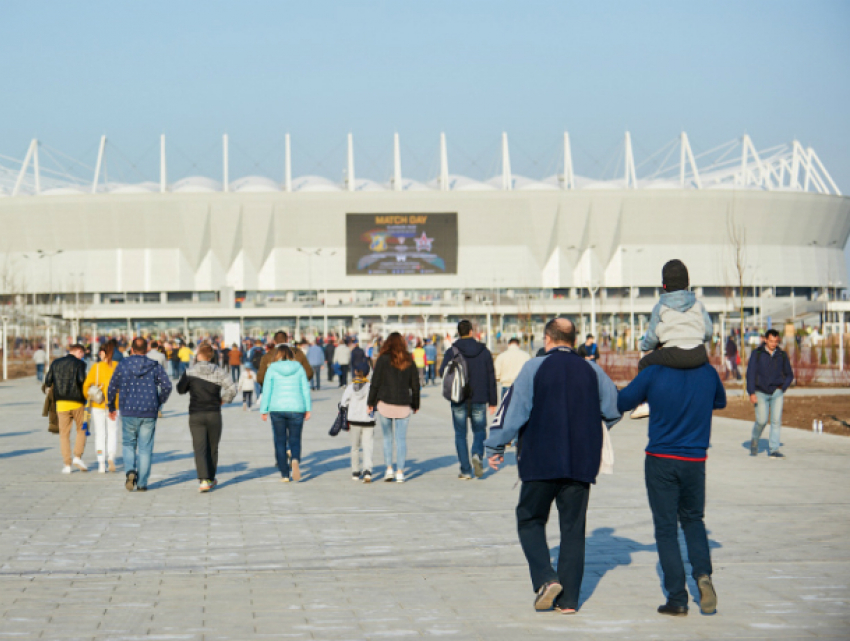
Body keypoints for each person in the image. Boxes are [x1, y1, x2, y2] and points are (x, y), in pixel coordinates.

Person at [486, 318, 621, 614]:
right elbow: (613, 408)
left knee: (530, 519)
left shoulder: (534, 368)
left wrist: (495, 446)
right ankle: (570, 601)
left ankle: (546, 579)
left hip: (540, 459)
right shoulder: (592, 370)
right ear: (572, 340)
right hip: (580, 462)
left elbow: (513, 413)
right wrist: (591, 427)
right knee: (573, 528)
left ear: (547, 338)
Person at [617, 338, 727, 616]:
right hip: (695, 459)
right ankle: (703, 575)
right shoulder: (707, 371)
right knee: (693, 520)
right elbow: (720, 401)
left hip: (661, 459)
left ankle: (677, 599)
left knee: (666, 529)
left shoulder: (654, 372)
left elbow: (622, 401)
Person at [107, 337, 173, 492]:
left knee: (129, 444)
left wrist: (111, 406)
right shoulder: (154, 365)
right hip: (149, 411)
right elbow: (167, 385)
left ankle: (130, 471)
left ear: (132, 349)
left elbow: (111, 386)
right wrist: (159, 401)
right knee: (145, 448)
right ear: (147, 349)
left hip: (128, 410)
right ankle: (142, 483)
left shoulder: (123, 365)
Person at [440, 319, 497, 480]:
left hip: (458, 398)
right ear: (471, 331)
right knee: (479, 430)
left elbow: (442, 373)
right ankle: (477, 454)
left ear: (459, 332)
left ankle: (465, 470)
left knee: (460, 434)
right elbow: (491, 377)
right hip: (479, 397)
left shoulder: (452, 351)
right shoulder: (484, 351)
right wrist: (493, 401)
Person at [176, 343, 238, 492]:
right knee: (213, 447)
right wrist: (224, 399)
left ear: (198, 355)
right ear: (211, 356)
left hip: (196, 413)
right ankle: (210, 478)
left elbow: (180, 389)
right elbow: (233, 389)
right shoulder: (219, 371)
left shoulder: (190, 371)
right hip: (214, 413)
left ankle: (203, 480)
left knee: (199, 448)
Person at [638, 259, 712, 371]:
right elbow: (708, 332)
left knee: (643, 363)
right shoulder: (698, 305)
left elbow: (652, 338)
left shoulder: (660, 307)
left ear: (664, 285)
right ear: (687, 283)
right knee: (709, 372)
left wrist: (643, 346)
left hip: (672, 354)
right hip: (698, 354)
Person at [367, 332, 420, 483]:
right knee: (401, 439)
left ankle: (389, 469)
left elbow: (375, 383)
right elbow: (415, 384)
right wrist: (416, 404)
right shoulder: (408, 359)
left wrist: (370, 403)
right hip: (403, 404)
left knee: (387, 438)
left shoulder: (382, 360)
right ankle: (400, 472)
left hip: (385, 403)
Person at [260, 345, 312, 483]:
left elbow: (267, 390)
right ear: (290, 355)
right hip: (297, 408)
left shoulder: (272, 368)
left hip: (277, 409)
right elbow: (305, 389)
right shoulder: (299, 367)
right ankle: (295, 458)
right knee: (295, 439)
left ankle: (284, 474)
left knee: (280, 441)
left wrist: (264, 410)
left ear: (277, 355)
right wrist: (308, 408)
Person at [746, 328, 794, 459]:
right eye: (771, 341)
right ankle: (755, 441)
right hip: (760, 392)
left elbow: (789, 374)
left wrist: (782, 388)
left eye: (776, 341)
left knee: (776, 421)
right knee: (761, 421)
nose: (774, 343)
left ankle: (774, 449)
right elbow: (750, 373)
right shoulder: (757, 353)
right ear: (765, 340)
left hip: (777, 392)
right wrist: (751, 392)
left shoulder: (781, 355)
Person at [45, 344, 89, 474]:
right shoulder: (80, 364)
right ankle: (77, 456)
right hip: (77, 403)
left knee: (64, 435)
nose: (83, 356)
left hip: (61, 404)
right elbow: (82, 380)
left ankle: (67, 465)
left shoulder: (56, 363)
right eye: (83, 353)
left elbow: (48, 381)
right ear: (78, 351)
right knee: (82, 429)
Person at [83, 340, 120, 473]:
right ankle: (111, 456)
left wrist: (89, 395)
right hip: (114, 405)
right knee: (112, 433)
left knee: (100, 434)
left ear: (104, 353)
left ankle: (101, 463)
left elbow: (86, 386)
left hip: (98, 405)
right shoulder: (117, 366)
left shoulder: (96, 367)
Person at [341, 363, 376, 483]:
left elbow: (343, 403)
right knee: (368, 446)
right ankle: (367, 471)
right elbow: (375, 403)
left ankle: (355, 471)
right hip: (368, 420)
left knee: (355, 447)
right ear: (368, 373)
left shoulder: (350, 387)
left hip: (354, 420)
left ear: (356, 372)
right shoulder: (371, 387)